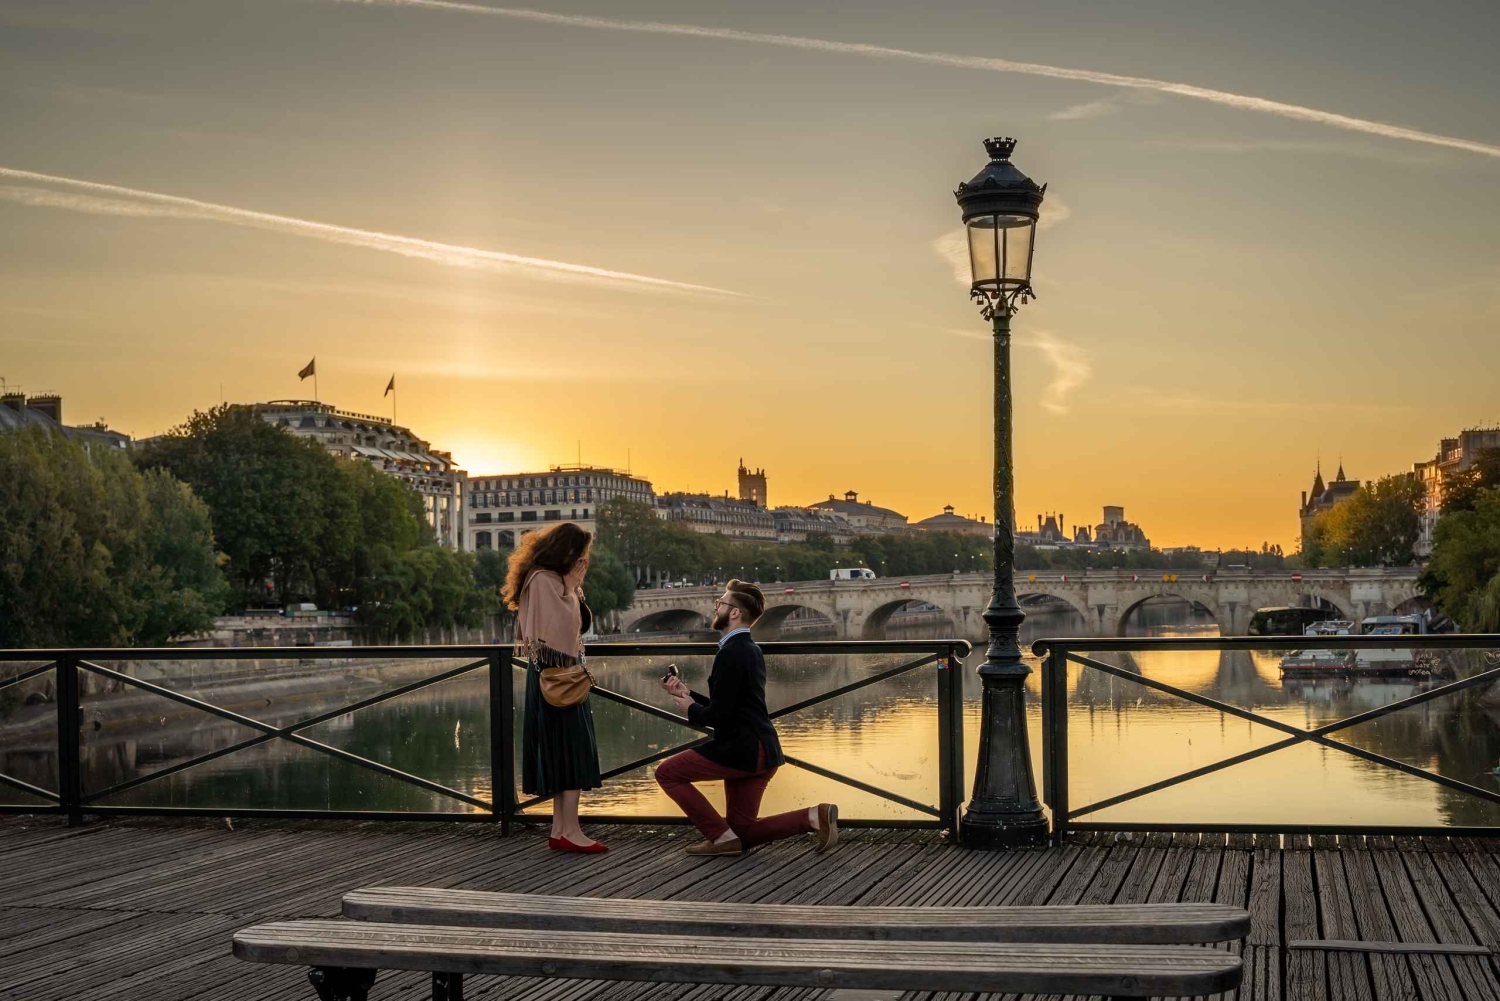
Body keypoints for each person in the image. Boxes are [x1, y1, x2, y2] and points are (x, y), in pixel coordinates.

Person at [655, 579, 838, 856]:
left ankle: (718, 836)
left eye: (720, 604)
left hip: (741, 750)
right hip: (763, 750)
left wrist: (691, 709)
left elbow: (721, 717)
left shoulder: (731, 653)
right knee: (743, 832)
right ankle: (814, 816)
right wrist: (687, 694)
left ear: (735, 612)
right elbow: (733, 704)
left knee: (667, 773)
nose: (716, 608)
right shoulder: (748, 649)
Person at [503, 522, 605, 854]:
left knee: (563, 752)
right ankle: (570, 830)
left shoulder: (546, 579)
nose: (584, 561)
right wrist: (572, 587)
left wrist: (571, 588)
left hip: (551, 676)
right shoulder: (546, 581)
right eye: (582, 553)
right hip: (559, 675)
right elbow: (563, 626)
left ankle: (562, 829)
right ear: (568, 551)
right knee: (571, 751)